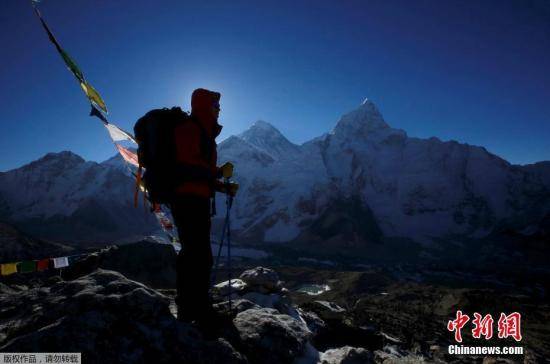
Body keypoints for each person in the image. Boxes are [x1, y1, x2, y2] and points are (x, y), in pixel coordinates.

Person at [169, 88, 236, 329]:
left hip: (196, 200)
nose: (219, 110)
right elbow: (187, 169)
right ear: (204, 107)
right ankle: (192, 308)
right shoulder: (189, 130)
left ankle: (195, 305)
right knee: (195, 254)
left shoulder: (203, 133)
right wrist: (218, 173)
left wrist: (221, 187)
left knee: (197, 254)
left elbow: (198, 174)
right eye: (215, 106)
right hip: (187, 201)